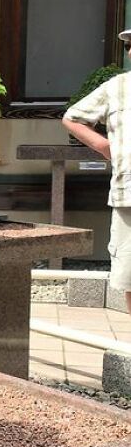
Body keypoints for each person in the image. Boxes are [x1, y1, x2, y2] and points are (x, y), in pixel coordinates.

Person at [63, 30, 131, 311]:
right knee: (130, 277)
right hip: (129, 198)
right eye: (130, 46)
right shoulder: (117, 87)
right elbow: (73, 118)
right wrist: (105, 146)